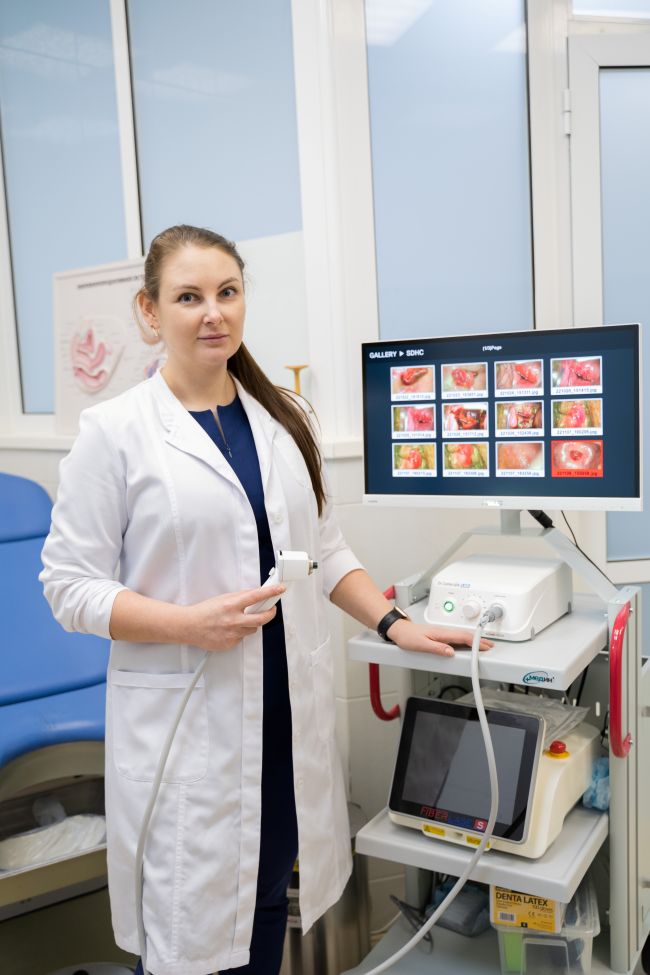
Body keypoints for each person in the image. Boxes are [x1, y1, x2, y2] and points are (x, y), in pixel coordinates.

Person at [40, 225, 490, 975]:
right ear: (150, 311)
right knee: (186, 938)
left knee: (266, 913)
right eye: (188, 297)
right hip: (189, 731)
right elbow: (67, 586)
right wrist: (187, 624)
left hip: (284, 728)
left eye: (227, 292)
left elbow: (326, 551)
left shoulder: (284, 418)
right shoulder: (114, 434)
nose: (213, 312)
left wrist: (395, 623)